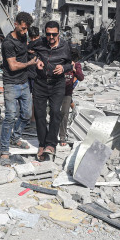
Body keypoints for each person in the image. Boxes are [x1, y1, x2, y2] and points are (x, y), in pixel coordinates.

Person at [30, 20, 72, 161]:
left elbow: (71, 64)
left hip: (57, 84)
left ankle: (51, 144)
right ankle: (42, 144)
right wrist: (36, 61)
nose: (51, 38)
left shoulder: (65, 46)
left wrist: (63, 68)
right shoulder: (39, 42)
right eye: (48, 34)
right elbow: (27, 51)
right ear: (45, 33)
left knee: (55, 112)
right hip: (40, 83)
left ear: (58, 33)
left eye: (54, 34)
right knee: (39, 114)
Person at [0, 12, 37, 162]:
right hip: (11, 84)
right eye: (22, 28)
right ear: (15, 24)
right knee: (10, 116)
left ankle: (16, 137)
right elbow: (13, 66)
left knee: (26, 114)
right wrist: (29, 63)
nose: (25, 32)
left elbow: (22, 51)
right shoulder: (8, 43)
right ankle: (4, 149)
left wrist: (28, 52)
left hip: (24, 82)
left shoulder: (23, 36)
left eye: (26, 29)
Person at [59, 49, 84, 146]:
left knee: (64, 113)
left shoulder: (77, 65)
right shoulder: (61, 62)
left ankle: (62, 137)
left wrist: (74, 69)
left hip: (67, 92)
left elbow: (81, 77)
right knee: (54, 112)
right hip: (56, 91)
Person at [27, 26, 40, 123]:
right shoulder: (26, 46)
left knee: (36, 98)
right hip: (27, 76)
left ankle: (33, 118)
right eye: (32, 38)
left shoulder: (42, 47)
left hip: (38, 76)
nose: (33, 40)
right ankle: (27, 116)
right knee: (26, 97)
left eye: (35, 38)